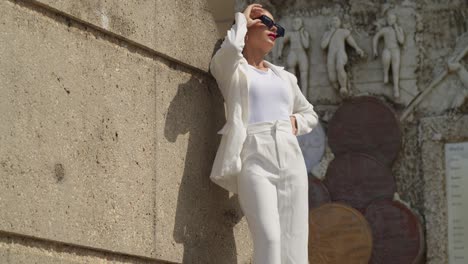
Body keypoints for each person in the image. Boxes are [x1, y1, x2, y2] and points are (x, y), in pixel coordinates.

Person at [209, 3, 318, 264]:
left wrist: (295, 123)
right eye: (266, 24)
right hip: (254, 155)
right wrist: (242, 20)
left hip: (290, 158)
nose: (274, 31)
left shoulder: (285, 78)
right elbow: (230, 51)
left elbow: (310, 114)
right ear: (247, 29)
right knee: (269, 238)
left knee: (295, 242)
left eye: (277, 28)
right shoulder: (233, 70)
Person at [321, 16, 365, 96]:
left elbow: (350, 41)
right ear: (330, 23)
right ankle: (336, 86)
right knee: (332, 76)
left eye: (336, 20)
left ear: (340, 22)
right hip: (331, 55)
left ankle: (343, 87)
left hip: (340, 52)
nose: (334, 22)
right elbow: (323, 46)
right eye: (333, 20)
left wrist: (357, 48)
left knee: (339, 66)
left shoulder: (343, 31)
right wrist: (331, 33)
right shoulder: (327, 33)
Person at [373, 12, 405, 99]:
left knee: (395, 69)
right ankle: (386, 74)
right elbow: (376, 37)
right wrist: (375, 49)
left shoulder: (399, 29)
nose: (391, 21)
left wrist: (396, 29)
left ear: (395, 20)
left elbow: (401, 41)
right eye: (389, 19)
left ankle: (396, 89)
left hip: (395, 50)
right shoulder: (385, 30)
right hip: (387, 49)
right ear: (387, 20)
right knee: (386, 58)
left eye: (392, 19)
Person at [278, 17, 310, 97]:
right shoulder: (290, 34)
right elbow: (282, 41)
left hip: (301, 53)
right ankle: (293, 95)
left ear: (301, 24)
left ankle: (304, 96)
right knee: (291, 76)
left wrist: (301, 33)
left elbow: (306, 45)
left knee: (304, 74)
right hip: (293, 52)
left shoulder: (304, 33)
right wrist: (279, 51)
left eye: (298, 22)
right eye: (294, 22)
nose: (295, 24)